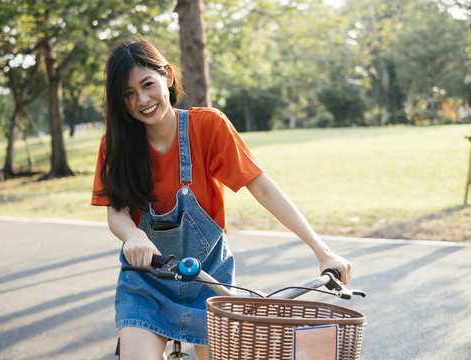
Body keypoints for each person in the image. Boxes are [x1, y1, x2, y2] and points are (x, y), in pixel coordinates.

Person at [91, 38, 353, 360]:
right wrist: (133, 234)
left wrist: (322, 251)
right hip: (148, 283)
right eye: (128, 94)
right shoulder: (116, 143)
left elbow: (263, 187)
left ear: (168, 78)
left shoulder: (208, 126)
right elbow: (116, 211)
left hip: (210, 283)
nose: (142, 99)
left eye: (148, 85)